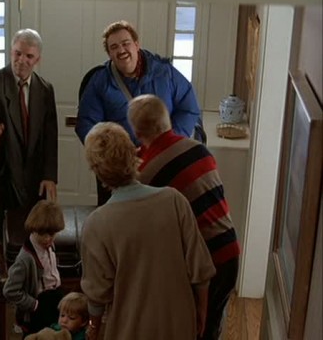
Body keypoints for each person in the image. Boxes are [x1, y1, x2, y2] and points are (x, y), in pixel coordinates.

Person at [80, 122, 216, 340]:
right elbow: (200, 270)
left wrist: (93, 328)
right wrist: (201, 311)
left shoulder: (97, 224)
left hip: (129, 329)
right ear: (133, 153)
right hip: (178, 324)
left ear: (97, 170)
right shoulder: (174, 201)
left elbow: (97, 295)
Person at [129, 94, 241, 340]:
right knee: (211, 327)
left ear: (137, 132)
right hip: (230, 251)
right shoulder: (199, 150)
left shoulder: (147, 174)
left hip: (202, 264)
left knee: (194, 329)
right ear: (167, 120)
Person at [75, 20, 202, 205]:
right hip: (121, 171)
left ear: (136, 44)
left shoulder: (165, 73)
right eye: (114, 47)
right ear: (109, 53)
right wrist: (112, 154)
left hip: (164, 164)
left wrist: (169, 143)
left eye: (126, 43)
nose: (121, 50)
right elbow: (87, 124)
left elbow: (189, 108)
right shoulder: (99, 81)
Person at [0, 28, 58, 255]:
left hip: (34, 175)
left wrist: (50, 175)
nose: (21, 60)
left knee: (30, 231)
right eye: (17, 53)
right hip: (1, 169)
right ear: (11, 52)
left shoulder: (45, 89)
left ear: (37, 59)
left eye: (28, 56)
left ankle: (27, 279)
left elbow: (50, 135)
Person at [3, 200, 66, 336]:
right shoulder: (25, 259)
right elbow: (10, 291)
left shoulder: (50, 246)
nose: (49, 239)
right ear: (34, 229)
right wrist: (34, 305)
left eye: (53, 234)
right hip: (39, 305)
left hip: (55, 297)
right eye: (44, 234)